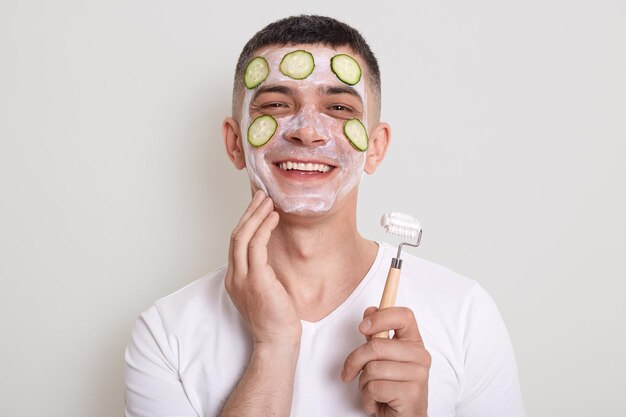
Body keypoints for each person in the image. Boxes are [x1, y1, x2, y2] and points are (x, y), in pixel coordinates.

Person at [125, 15, 526, 417]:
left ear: (375, 148)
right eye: (277, 105)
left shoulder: (464, 312)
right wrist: (273, 346)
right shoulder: (165, 334)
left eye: (337, 107)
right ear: (234, 143)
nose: (308, 131)